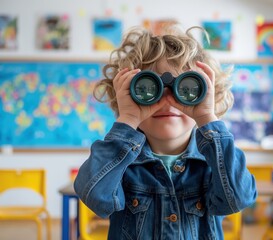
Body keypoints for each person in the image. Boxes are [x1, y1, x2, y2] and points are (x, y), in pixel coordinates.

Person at [74, 24, 257, 240]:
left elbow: (239, 198)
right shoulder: (120, 165)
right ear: (126, 96)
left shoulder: (213, 164)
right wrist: (129, 119)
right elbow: (94, 196)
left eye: (187, 89)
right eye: (149, 89)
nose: (167, 101)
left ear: (208, 95)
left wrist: (207, 116)